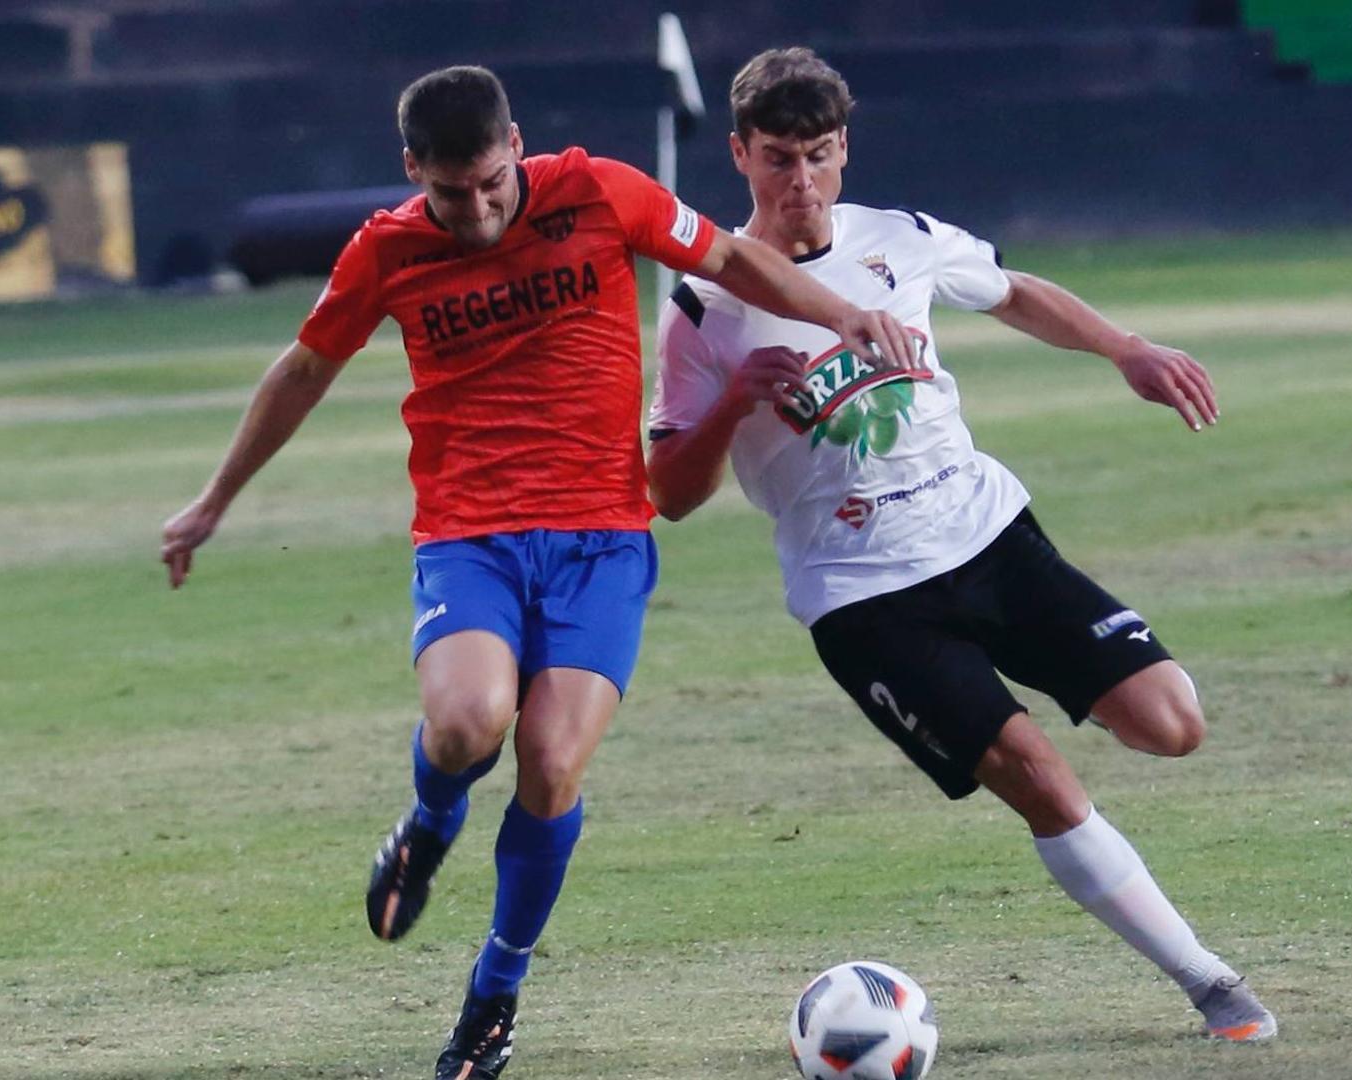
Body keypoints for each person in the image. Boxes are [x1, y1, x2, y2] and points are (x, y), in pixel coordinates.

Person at [159, 65, 920, 1080]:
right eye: (448, 194)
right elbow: (304, 369)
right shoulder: (387, 250)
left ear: (515, 146)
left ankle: (493, 997)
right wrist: (213, 500)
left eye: (488, 185)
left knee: (553, 767)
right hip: (469, 534)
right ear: (410, 173)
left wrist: (839, 314)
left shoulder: (600, 193)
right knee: (470, 725)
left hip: (604, 536)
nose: (473, 213)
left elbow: (733, 257)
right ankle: (431, 823)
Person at [646, 48, 1276, 1042]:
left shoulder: (900, 238)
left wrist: (1126, 346)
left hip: (990, 537)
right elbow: (669, 495)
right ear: (738, 155)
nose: (800, 182)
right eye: (776, 159)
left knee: (1171, 723)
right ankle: (1211, 984)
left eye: (817, 155)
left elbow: (1011, 289)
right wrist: (732, 401)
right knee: (1039, 777)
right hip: (865, 600)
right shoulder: (702, 305)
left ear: (844, 150)